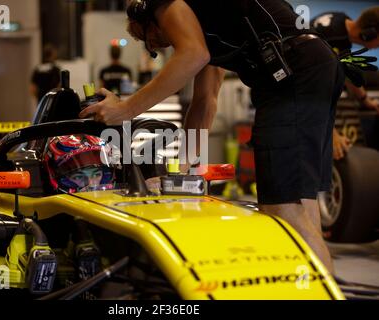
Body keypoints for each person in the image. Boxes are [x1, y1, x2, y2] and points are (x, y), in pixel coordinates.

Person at [79, 0, 349, 273]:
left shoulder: (163, 3)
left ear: (148, 18)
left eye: (145, 38)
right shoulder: (209, 27)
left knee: (283, 210)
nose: (155, 47)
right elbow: (204, 103)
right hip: (314, 65)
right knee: (302, 205)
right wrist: (181, 171)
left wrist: (125, 109)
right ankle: (318, 287)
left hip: (292, 74)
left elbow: (192, 55)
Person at [311, 7, 379, 160]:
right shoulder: (332, 42)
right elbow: (315, 90)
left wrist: (365, 99)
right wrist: (332, 135)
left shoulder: (341, 23)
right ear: (370, 33)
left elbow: (348, 70)